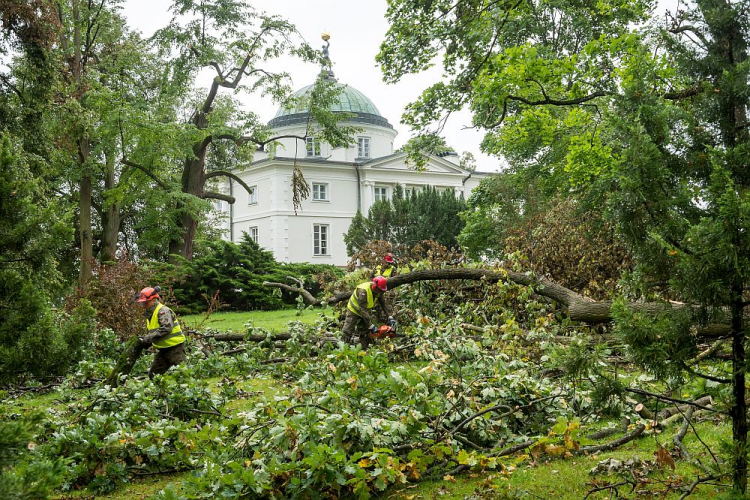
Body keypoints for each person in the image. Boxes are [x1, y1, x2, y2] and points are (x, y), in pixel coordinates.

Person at [133, 286, 186, 378]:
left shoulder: (162, 311)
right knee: (153, 375)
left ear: (154, 300)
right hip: (163, 349)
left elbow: (166, 328)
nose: (143, 305)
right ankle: (159, 391)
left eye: (146, 302)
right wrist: (146, 341)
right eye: (143, 303)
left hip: (175, 348)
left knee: (184, 374)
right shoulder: (150, 314)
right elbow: (154, 331)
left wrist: (148, 338)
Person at [342, 276, 396, 349]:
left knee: (365, 332)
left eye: (382, 290)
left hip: (365, 312)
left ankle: (364, 350)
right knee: (347, 331)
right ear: (375, 287)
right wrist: (371, 326)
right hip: (353, 310)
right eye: (380, 290)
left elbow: (383, 304)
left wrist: (390, 316)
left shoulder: (378, 291)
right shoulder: (363, 291)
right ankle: (342, 350)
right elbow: (362, 310)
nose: (381, 292)